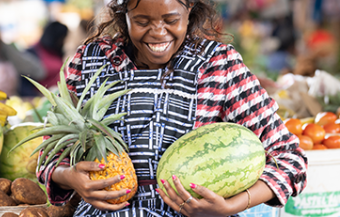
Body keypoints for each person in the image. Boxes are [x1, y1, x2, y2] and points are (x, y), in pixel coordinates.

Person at [37, 0, 308, 216]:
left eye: (171, 20)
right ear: (123, 13)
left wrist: (232, 206)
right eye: (142, 21)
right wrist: (70, 177)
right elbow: (49, 156)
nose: (157, 33)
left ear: (189, 9)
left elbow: (291, 161)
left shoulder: (219, 64)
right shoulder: (89, 60)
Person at [19, 21, 68, 96]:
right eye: (63, 38)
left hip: (59, 95)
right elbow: (25, 82)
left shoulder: (56, 51)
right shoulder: (32, 52)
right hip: (41, 98)